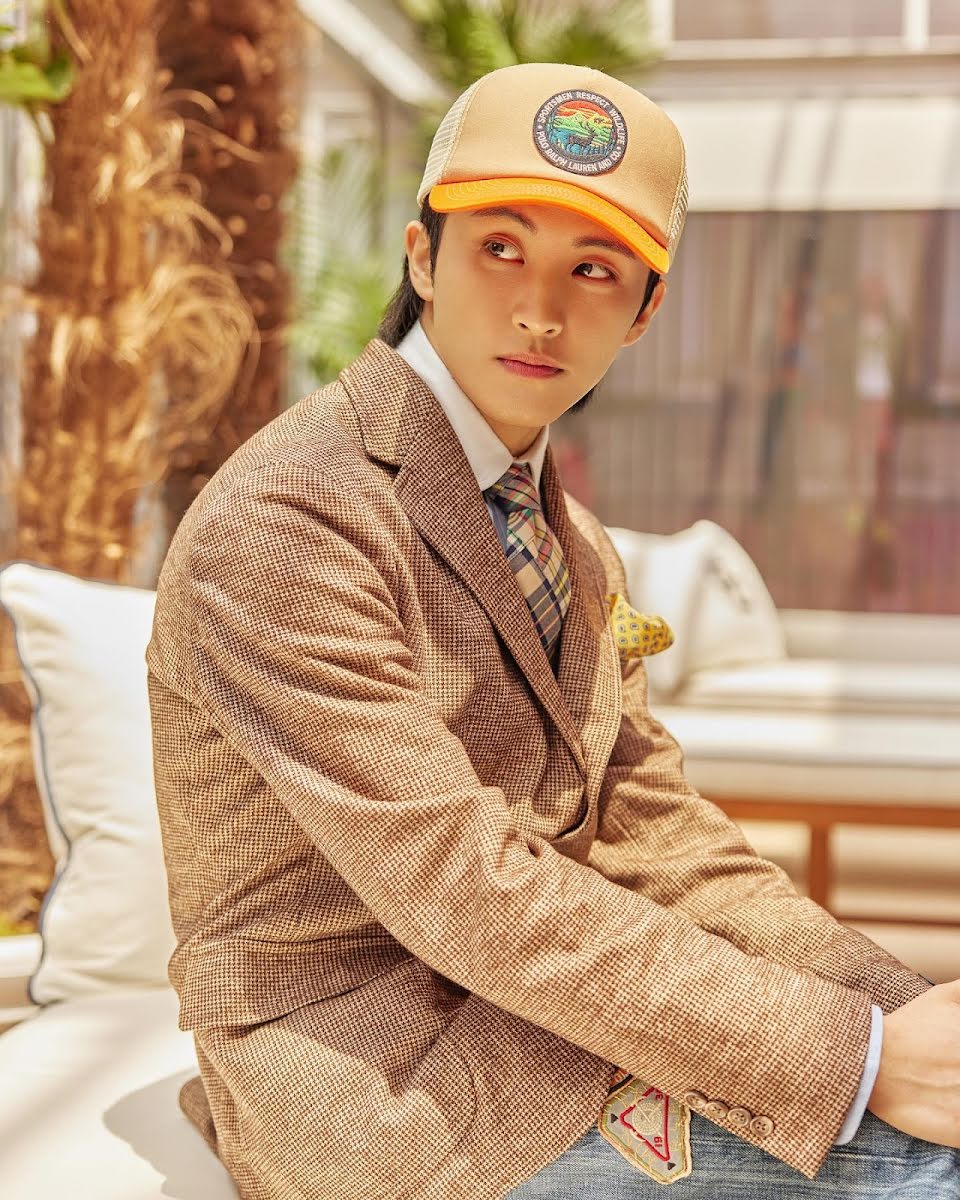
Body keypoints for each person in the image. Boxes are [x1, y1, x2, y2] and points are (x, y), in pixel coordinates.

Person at [145, 62, 960, 1199]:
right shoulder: (293, 518)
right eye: (499, 248)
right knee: (922, 1171)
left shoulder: (570, 538)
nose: (540, 308)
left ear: (644, 311)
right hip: (372, 1072)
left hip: (544, 1011)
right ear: (421, 257)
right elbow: (460, 884)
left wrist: (902, 1015)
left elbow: (654, 830)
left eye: (593, 269)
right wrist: (857, 1056)